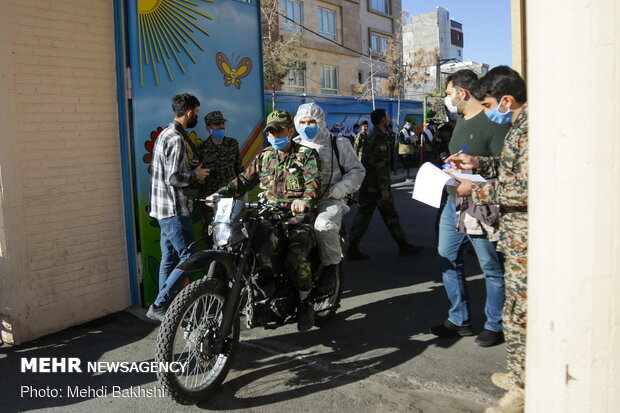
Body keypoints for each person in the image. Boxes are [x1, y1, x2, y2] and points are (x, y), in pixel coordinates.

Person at [448, 66, 528, 413]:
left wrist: (477, 188)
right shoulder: (521, 127)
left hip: (524, 235)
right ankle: (519, 372)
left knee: (520, 311)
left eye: (491, 103)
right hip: (517, 236)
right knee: (516, 307)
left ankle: (524, 387)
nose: (489, 110)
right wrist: (476, 161)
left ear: (506, 100)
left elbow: (525, 186)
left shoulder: (529, 129)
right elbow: (509, 167)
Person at [216, 110, 322, 332]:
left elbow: (313, 185)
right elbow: (244, 180)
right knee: (246, 247)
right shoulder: (264, 156)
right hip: (268, 217)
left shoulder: (306, 155)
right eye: (271, 132)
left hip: (296, 219)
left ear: (290, 131)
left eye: (279, 131)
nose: (274, 136)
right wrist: (220, 194)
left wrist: (303, 200)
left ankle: (305, 302)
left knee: (295, 257)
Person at [430, 69, 510, 348]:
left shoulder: (495, 123)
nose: (447, 99)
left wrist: (474, 179)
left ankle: (494, 324)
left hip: (482, 209)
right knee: (447, 258)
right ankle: (459, 318)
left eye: (449, 94)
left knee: (490, 266)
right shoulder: (460, 121)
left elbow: (507, 170)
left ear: (462, 93)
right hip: (454, 203)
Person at [146, 93, 210, 323]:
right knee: (190, 257)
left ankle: (168, 307)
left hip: (162, 209)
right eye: (197, 113)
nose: (197, 118)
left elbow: (156, 171)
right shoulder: (176, 139)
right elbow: (174, 177)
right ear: (190, 111)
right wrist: (196, 174)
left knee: (169, 258)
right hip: (174, 210)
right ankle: (161, 304)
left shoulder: (165, 134)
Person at [293, 103, 365, 289]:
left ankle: (331, 270)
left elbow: (357, 171)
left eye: (312, 121)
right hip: (298, 201)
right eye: (303, 121)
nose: (307, 126)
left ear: (321, 122)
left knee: (324, 225)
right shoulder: (294, 146)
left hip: (330, 198)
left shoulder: (338, 144)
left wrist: (341, 188)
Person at [347, 109, 423, 260]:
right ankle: (402, 246)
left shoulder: (377, 135)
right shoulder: (378, 138)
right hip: (376, 186)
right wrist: (384, 188)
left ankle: (353, 247)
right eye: (387, 117)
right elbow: (380, 165)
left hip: (369, 184)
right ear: (382, 119)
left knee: (366, 216)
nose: (388, 119)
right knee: (388, 216)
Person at [195, 111, 243, 237]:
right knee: (211, 233)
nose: (221, 127)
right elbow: (198, 176)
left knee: (233, 232)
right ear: (208, 128)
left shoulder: (232, 144)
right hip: (211, 200)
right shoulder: (201, 148)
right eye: (216, 124)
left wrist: (242, 192)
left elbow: (239, 169)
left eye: (222, 123)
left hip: (231, 197)